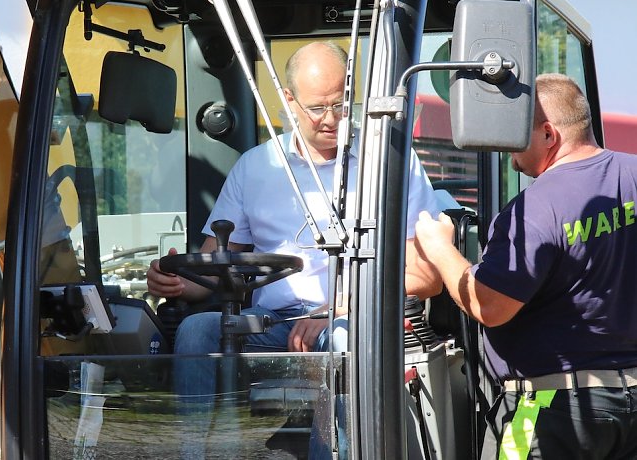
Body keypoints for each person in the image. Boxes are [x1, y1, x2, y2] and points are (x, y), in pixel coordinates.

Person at [146, 41, 444, 458]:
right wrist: (175, 279)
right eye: (317, 108)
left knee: (339, 341)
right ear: (288, 100)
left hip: (354, 320)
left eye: (341, 105)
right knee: (198, 330)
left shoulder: (390, 163)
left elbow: (425, 274)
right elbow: (215, 265)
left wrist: (335, 311)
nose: (332, 120)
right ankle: (196, 453)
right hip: (272, 323)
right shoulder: (256, 167)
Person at [414, 73, 637, 459]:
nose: (506, 147)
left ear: (549, 134)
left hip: (548, 411)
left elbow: (490, 307)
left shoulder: (534, 208)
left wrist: (439, 250)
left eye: (515, 133)